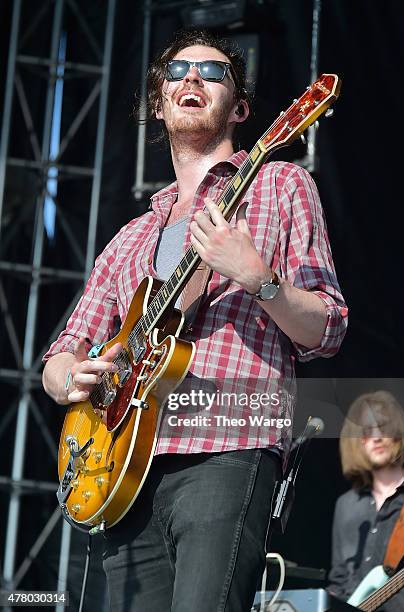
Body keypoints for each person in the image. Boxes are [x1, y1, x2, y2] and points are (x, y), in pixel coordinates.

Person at [42, 28, 348, 612]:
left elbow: (327, 329)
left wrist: (256, 277)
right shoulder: (130, 237)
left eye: (212, 74)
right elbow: (63, 354)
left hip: (228, 443)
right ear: (158, 104)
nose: (192, 80)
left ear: (243, 108)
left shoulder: (281, 187)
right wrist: (71, 376)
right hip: (122, 465)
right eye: (178, 72)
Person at [328, 390, 404, 611]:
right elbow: (339, 580)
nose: (376, 438)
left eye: (383, 427)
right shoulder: (347, 505)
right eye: (366, 432)